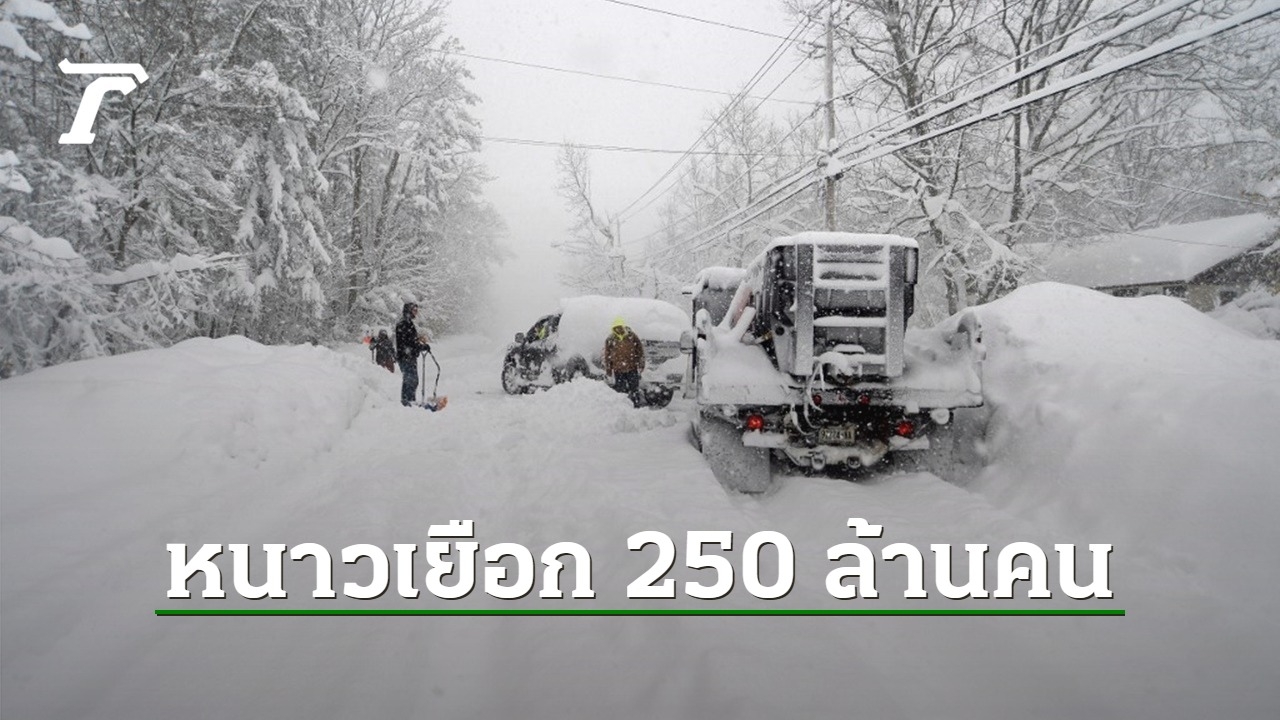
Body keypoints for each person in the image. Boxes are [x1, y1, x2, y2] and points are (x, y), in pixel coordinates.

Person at [603, 317, 645, 407]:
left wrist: (641, 364)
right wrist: (608, 370)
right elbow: (607, 355)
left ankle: (636, 405)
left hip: (632, 368)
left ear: (624, 327)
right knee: (620, 390)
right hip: (618, 370)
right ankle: (623, 407)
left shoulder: (632, 336)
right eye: (616, 328)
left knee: (634, 389)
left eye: (620, 327)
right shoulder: (610, 339)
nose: (618, 329)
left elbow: (640, 351)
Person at [395, 302, 431, 406]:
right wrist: (419, 347)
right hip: (406, 357)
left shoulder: (408, 323)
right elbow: (407, 343)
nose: (416, 312)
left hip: (409, 356)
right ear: (408, 311)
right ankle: (407, 402)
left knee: (412, 380)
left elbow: (412, 341)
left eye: (416, 310)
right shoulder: (404, 324)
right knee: (410, 380)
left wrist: (420, 345)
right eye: (414, 310)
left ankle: (409, 401)